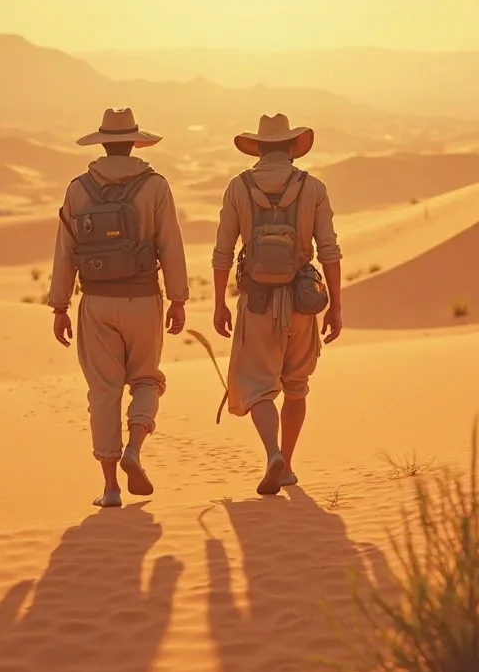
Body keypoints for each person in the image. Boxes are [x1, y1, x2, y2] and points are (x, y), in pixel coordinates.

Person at [48, 107, 189, 508]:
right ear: (134, 142)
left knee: (104, 392)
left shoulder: (78, 189)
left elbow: (65, 252)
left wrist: (59, 306)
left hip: (96, 303)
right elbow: (171, 245)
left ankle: (110, 488)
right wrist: (178, 298)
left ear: (102, 143)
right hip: (144, 299)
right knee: (146, 380)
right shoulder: (155, 186)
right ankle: (135, 447)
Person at [211, 113, 342, 495]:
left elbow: (222, 252)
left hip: (256, 304)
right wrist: (335, 306)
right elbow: (330, 251)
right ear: (291, 148)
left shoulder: (238, 188)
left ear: (259, 148)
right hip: (302, 303)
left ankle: (272, 453)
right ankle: (287, 463)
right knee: (296, 386)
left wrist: (219, 303)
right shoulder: (313, 188)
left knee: (258, 388)